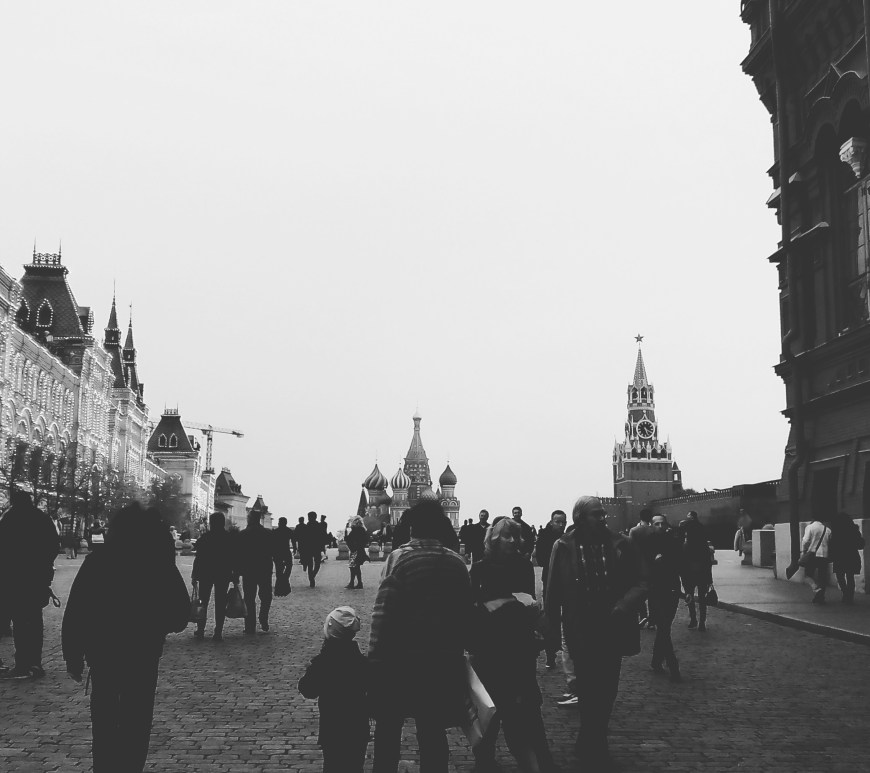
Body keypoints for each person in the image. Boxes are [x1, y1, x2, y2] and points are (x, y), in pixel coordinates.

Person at [62, 503, 190, 773]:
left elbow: (77, 610)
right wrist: (156, 626)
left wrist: (73, 655)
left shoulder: (98, 561)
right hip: (143, 653)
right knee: (137, 721)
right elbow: (180, 613)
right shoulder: (157, 563)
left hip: (103, 653)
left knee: (104, 722)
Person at [369, 500, 472, 773]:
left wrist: (374, 659)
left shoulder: (400, 559)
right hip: (442, 661)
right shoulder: (457, 563)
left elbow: (383, 614)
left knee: (388, 727)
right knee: (432, 730)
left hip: (399, 660)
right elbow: (465, 614)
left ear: (412, 527)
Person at [544, 495, 646, 768]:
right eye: (596, 514)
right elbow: (553, 591)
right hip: (581, 626)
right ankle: (595, 740)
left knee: (608, 687)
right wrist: (550, 630)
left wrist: (624, 605)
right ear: (580, 518)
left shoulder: (622, 543)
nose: (603, 518)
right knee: (588, 686)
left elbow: (641, 580)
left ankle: (591, 736)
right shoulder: (563, 546)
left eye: (603, 513)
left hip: (612, 624)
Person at [469, 517, 555, 773]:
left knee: (527, 706)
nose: (513, 540)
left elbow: (528, 601)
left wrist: (502, 604)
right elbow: (472, 607)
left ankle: (540, 761)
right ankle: (484, 760)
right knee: (489, 707)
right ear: (494, 538)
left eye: (516, 536)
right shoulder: (480, 568)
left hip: (518, 644)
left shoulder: (523, 565)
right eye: (507, 535)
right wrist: (508, 603)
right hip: (489, 646)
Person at [299, 606, 370, 773]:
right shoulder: (361, 662)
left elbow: (308, 690)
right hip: (357, 727)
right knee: (355, 766)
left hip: (332, 728)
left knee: (332, 766)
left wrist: (309, 670)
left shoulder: (323, 662)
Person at [0, 489, 60, 680]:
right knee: (34, 622)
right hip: (36, 580)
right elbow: (53, 545)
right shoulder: (42, 518)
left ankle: (22, 664)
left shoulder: (9, 519)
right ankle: (34, 663)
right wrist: (43, 568)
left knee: (19, 622)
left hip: (14, 580)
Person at [191, 511, 238, 641]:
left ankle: (201, 629)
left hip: (206, 573)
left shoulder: (205, 538)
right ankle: (218, 632)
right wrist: (235, 575)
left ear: (211, 523)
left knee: (203, 602)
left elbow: (198, 558)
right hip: (223, 573)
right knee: (221, 602)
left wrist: (194, 575)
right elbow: (234, 558)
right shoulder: (229, 538)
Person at [648, 515, 682, 681]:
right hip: (655, 591)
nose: (660, 526)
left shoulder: (674, 543)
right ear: (651, 525)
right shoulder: (646, 544)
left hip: (672, 590)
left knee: (664, 627)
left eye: (662, 523)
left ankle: (656, 661)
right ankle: (673, 665)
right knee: (663, 627)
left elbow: (681, 565)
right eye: (657, 524)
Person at [535, 509, 567, 669]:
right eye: (558, 522)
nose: (561, 525)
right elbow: (540, 558)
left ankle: (562, 649)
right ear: (551, 521)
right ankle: (550, 654)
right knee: (551, 617)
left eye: (563, 522)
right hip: (550, 580)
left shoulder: (566, 538)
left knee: (567, 616)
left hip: (565, 582)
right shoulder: (545, 537)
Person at [237, 510, 275, 632]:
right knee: (266, 596)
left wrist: (236, 571)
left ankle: (250, 625)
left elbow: (238, 554)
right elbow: (274, 552)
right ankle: (263, 617)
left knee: (249, 598)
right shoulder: (268, 533)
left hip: (248, 570)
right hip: (265, 568)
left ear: (249, 519)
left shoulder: (243, 534)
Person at [681, 512, 713, 631]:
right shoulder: (704, 547)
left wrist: (683, 578)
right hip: (702, 574)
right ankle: (702, 622)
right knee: (702, 599)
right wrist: (709, 579)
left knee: (689, 597)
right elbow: (708, 564)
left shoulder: (685, 546)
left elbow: (682, 564)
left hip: (689, 575)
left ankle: (693, 619)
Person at [829, 512, 865, 604]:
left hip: (839, 556)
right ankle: (850, 597)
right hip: (851, 556)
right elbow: (860, 544)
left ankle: (845, 593)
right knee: (850, 576)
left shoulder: (836, 531)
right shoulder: (854, 530)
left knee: (840, 576)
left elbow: (832, 545)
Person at [628, 509, 655, 628]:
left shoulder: (634, 530)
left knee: (639, 593)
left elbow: (630, 549)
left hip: (638, 566)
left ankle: (643, 616)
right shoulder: (654, 530)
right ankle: (652, 620)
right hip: (653, 566)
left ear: (640, 517)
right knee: (653, 595)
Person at [800, 516, 832, 604]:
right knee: (822, 577)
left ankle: (815, 588)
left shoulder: (810, 527)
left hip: (813, 555)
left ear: (813, 519)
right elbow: (830, 542)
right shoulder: (828, 530)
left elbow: (805, 541)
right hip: (824, 555)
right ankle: (820, 597)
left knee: (807, 575)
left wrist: (803, 552)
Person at [298, 511, 325, 588]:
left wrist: (302, 549)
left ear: (309, 517)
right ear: (316, 517)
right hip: (317, 547)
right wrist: (322, 548)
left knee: (310, 565)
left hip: (308, 548)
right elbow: (322, 537)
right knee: (317, 564)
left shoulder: (305, 527)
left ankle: (311, 578)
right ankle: (313, 575)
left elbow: (302, 539)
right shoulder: (319, 526)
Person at [345, 516, 369, 589]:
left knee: (352, 567)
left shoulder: (355, 530)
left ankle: (352, 583)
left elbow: (348, 539)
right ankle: (359, 583)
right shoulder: (363, 530)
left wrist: (346, 533)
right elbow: (365, 541)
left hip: (355, 551)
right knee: (356, 567)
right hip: (360, 550)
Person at [273, 517, 294, 597]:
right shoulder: (289, 531)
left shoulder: (275, 531)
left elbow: (272, 543)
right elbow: (293, 541)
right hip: (286, 551)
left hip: (277, 553)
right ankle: (285, 581)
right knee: (289, 566)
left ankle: (279, 588)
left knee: (279, 569)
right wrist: (295, 549)